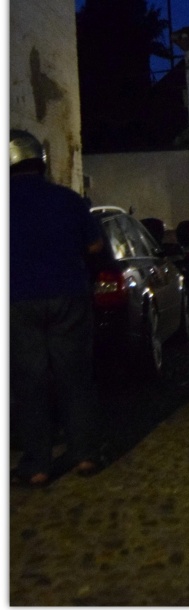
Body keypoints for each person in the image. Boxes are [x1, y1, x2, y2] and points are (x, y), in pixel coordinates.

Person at [9, 130, 107, 486]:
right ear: (41, 162)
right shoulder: (67, 199)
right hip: (68, 294)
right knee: (75, 377)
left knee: (28, 382)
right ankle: (84, 455)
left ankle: (37, 465)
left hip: (17, 301)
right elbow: (95, 246)